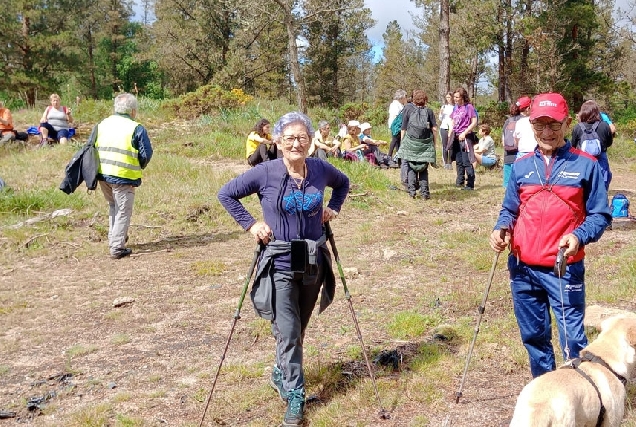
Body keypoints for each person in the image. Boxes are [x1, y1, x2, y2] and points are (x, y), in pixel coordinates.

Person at [217, 112, 349, 426]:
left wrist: (334, 207)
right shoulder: (265, 173)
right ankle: (295, 395)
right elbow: (226, 194)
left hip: (313, 259)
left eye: (302, 137)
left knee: (297, 330)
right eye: (289, 137)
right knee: (288, 332)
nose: (295, 143)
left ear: (310, 141)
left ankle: (281, 373)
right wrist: (251, 224)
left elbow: (343, 183)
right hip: (279, 261)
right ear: (277, 141)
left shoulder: (319, 168)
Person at [490, 92, 611, 378]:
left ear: (567, 123)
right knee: (534, 338)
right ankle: (545, 391)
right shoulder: (520, 167)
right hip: (522, 269)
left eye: (553, 125)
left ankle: (580, 397)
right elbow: (509, 209)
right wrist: (500, 228)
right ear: (531, 125)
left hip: (563, 269)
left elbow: (600, 214)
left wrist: (579, 236)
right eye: (539, 125)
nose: (546, 132)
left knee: (573, 342)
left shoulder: (585, 165)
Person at [93, 93, 153, 259]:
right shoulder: (136, 127)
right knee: (123, 210)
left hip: (103, 174)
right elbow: (146, 154)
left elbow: (90, 148)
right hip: (123, 176)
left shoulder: (102, 124)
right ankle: (117, 247)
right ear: (133, 111)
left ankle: (114, 238)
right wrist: (139, 166)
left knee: (113, 206)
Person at [396, 89, 438, 199]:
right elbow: (434, 129)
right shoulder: (429, 111)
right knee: (423, 169)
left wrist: (403, 143)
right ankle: (425, 193)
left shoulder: (409, 110)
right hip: (425, 144)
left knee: (411, 168)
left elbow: (403, 128)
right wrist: (434, 143)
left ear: (414, 100)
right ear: (425, 100)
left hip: (410, 142)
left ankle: (412, 192)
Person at [571, 100, 613, 191]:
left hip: (582, 161)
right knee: (602, 188)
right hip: (601, 160)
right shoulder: (605, 126)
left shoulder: (578, 127)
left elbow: (572, 146)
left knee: (583, 189)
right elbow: (609, 143)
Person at [449, 87, 478, 190]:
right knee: (458, 160)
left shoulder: (469, 107)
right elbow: (453, 121)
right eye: (454, 97)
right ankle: (460, 181)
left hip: (466, 137)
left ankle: (470, 183)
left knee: (466, 160)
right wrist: (450, 132)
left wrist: (465, 132)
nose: (455, 99)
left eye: (457, 97)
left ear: (462, 97)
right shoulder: (455, 108)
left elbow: (474, 122)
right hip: (456, 136)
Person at [501, 99, 524, 188]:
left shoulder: (507, 121)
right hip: (519, 151)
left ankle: (507, 189)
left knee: (507, 175)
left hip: (508, 152)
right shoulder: (523, 120)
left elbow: (503, 137)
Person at [387, 89, 407, 160]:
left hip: (397, 125)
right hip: (395, 126)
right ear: (401, 97)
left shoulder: (399, 104)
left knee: (398, 142)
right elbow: (396, 116)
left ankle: (398, 158)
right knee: (395, 140)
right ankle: (389, 156)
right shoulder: (395, 105)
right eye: (405, 97)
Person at [439, 92, 455, 169]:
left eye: (449, 97)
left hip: (452, 128)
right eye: (447, 97)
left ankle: (450, 162)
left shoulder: (455, 107)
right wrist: (441, 114)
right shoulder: (444, 107)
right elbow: (440, 118)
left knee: (451, 146)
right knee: (445, 146)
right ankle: (445, 163)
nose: (448, 99)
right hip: (444, 127)